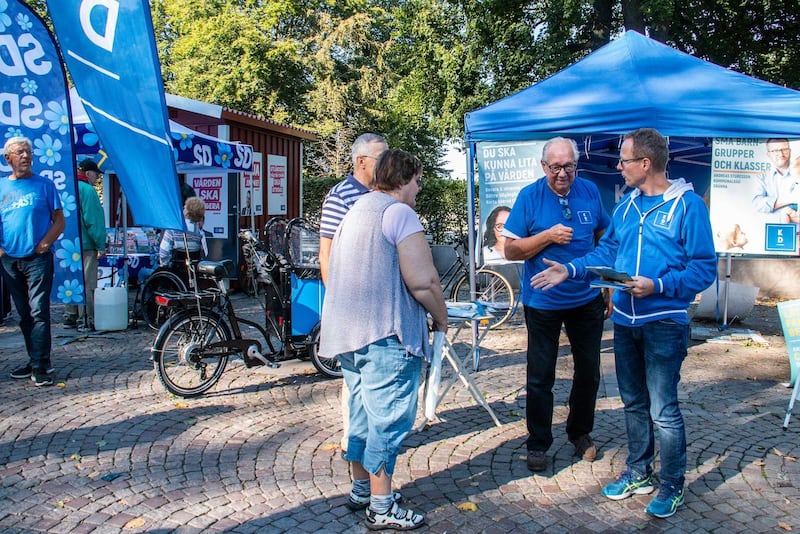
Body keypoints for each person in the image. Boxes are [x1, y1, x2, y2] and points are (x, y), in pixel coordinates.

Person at [531, 128, 717, 519]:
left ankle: (671, 484)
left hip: (664, 322)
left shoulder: (688, 206)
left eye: (624, 160)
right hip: (626, 322)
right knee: (633, 402)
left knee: (663, 409)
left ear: (645, 164)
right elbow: (607, 251)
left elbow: (703, 269)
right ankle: (638, 470)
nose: (618, 167)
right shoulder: (627, 206)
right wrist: (570, 269)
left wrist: (660, 285)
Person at [320, 149, 447, 531]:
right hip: (385, 333)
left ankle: (362, 489)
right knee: (387, 419)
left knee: (359, 415)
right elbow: (423, 280)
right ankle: (381, 505)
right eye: (417, 181)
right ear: (404, 179)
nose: (419, 189)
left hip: (347, 332)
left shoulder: (356, 210)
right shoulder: (398, 213)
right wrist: (440, 317)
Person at [501, 137, 610, 473]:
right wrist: (547, 236)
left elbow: (605, 236)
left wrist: (608, 286)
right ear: (543, 166)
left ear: (577, 165)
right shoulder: (529, 197)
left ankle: (580, 432)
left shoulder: (590, 191)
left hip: (586, 297)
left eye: (569, 166)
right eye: (556, 167)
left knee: (589, 372)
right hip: (543, 301)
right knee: (540, 376)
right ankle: (538, 442)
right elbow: (510, 251)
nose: (563, 173)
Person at [318, 132, 388, 453]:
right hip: (352, 306)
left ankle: (372, 441)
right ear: (361, 162)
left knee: (373, 380)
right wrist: (339, 303)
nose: (387, 164)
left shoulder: (383, 193)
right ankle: (353, 443)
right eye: (381, 158)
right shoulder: (340, 196)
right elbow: (326, 254)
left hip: (379, 306)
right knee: (355, 380)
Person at [1, 137, 65, 387]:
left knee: (39, 311)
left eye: (28, 152)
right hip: (10, 260)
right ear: (8, 158)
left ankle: (41, 366)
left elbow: (59, 220)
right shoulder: (2, 187)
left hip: (38, 259)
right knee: (23, 314)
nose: (26, 156)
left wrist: (46, 243)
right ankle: (33, 358)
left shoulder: (45, 186)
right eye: (20, 152)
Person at [63, 159, 107, 331]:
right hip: (86, 243)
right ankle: (86, 318)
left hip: (67, 244)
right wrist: (100, 244)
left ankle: (70, 315)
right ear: (88, 173)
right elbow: (93, 221)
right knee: (88, 283)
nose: (97, 179)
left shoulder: (66, 188)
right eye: (96, 175)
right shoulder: (88, 190)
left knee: (71, 281)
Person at [752, 138, 799, 223]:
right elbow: (758, 204)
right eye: (775, 151)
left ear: (790, 150)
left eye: (784, 149)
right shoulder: (762, 178)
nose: (780, 154)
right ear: (768, 154)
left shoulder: (798, 171)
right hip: (771, 232)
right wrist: (791, 199)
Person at [158, 196, 209, 272]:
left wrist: (164, 265)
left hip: (176, 269)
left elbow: (163, 253)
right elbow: (205, 253)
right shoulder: (200, 232)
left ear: (187, 212)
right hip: (194, 270)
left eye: (184, 207)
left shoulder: (173, 229)